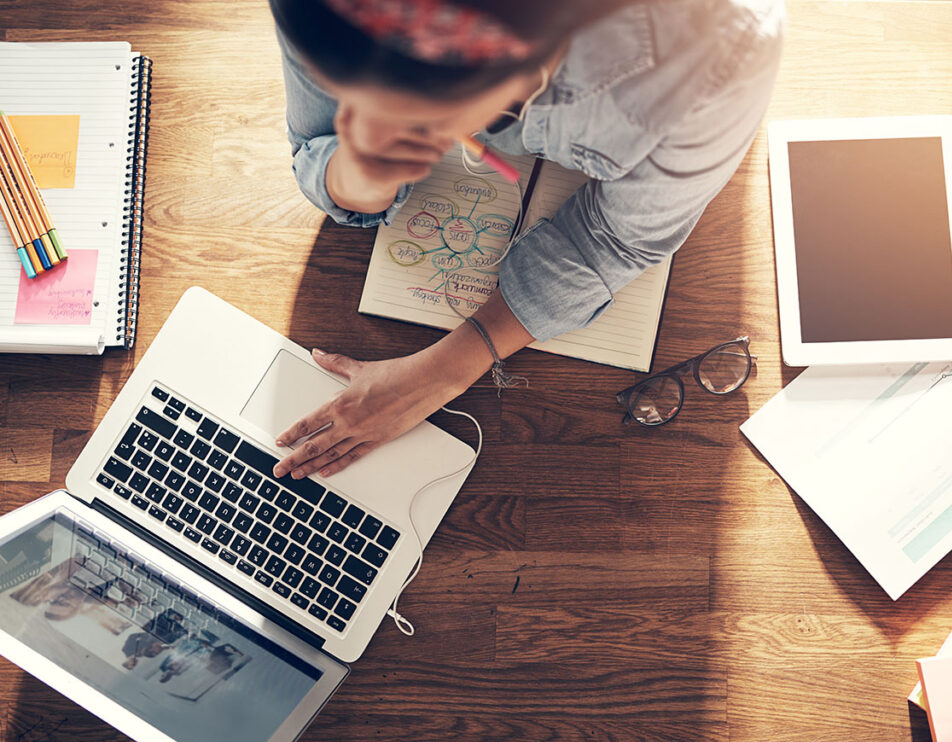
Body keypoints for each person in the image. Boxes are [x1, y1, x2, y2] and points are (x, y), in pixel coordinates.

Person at [269, 0, 784, 481]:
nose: (379, 115)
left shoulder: (721, 47)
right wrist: (360, 171)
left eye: (426, 114)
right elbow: (318, 144)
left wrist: (439, 375)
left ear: (529, 70)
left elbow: (616, 241)